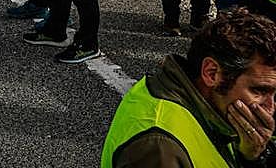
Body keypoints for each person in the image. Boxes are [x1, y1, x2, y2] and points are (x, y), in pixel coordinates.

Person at [101, 9, 276, 167]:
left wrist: (251, 156)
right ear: (211, 73)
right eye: (259, 91)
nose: (270, 107)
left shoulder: (212, 108)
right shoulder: (160, 149)